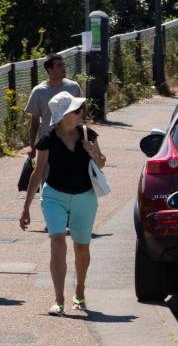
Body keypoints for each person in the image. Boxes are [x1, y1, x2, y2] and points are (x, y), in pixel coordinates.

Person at [19, 92, 106, 316]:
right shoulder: (48, 139)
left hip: (85, 196)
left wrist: (92, 152)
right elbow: (38, 173)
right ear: (62, 116)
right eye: (76, 111)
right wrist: (26, 207)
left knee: (81, 246)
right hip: (54, 195)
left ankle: (80, 291)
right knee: (57, 242)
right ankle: (58, 299)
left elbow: (102, 163)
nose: (80, 114)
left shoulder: (88, 133)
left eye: (80, 110)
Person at [25, 54, 82, 158]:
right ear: (49, 69)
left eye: (64, 65)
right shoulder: (38, 91)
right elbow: (34, 122)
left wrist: (83, 136)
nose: (63, 68)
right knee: (45, 172)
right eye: (59, 65)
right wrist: (32, 146)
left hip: (70, 139)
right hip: (48, 142)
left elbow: (82, 112)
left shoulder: (74, 87)